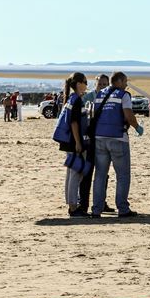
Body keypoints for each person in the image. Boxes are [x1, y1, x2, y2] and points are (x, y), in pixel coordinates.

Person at [91, 71, 143, 218]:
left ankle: (96, 209)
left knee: (100, 175)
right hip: (118, 138)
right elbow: (128, 115)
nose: (127, 84)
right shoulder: (123, 95)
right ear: (119, 81)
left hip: (100, 138)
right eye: (125, 81)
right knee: (123, 175)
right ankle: (123, 208)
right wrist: (137, 127)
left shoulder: (100, 94)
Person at [52, 72, 89, 217]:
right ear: (79, 83)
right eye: (85, 82)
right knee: (76, 174)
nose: (86, 85)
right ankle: (73, 207)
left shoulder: (70, 99)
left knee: (71, 173)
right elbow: (74, 122)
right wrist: (79, 143)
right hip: (74, 142)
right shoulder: (76, 100)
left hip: (68, 142)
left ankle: (71, 204)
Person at [79, 74, 114, 215]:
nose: (103, 87)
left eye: (105, 84)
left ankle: (101, 202)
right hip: (90, 140)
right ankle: (83, 205)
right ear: (96, 84)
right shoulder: (88, 97)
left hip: (103, 140)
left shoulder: (111, 98)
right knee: (87, 174)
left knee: (103, 174)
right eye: (100, 84)